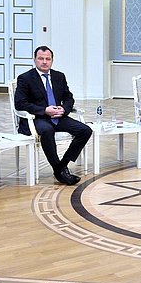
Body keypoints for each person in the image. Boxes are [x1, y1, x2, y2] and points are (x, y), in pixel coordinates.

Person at [14, 46, 92, 186]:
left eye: (47, 59)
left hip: (58, 117)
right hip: (37, 118)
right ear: (34, 60)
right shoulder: (25, 78)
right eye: (41, 58)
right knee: (47, 130)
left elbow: (68, 97)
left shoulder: (59, 76)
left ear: (52, 60)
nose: (44, 62)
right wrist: (44, 110)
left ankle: (61, 166)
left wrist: (64, 108)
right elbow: (20, 104)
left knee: (85, 130)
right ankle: (61, 172)